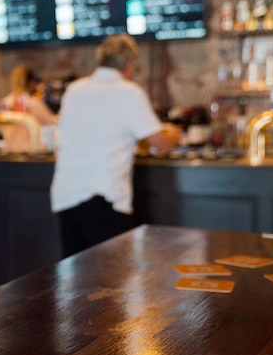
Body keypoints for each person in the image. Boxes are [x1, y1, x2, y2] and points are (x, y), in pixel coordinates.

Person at [50, 34, 180, 258]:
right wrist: (175, 133)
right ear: (129, 64)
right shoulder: (128, 92)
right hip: (103, 197)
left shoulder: (75, 89)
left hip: (66, 196)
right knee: (111, 279)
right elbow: (160, 144)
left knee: (74, 280)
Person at [0, 65, 57, 153]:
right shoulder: (33, 103)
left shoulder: (4, 103)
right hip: (31, 153)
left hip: (9, 152)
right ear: (31, 83)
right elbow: (52, 124)